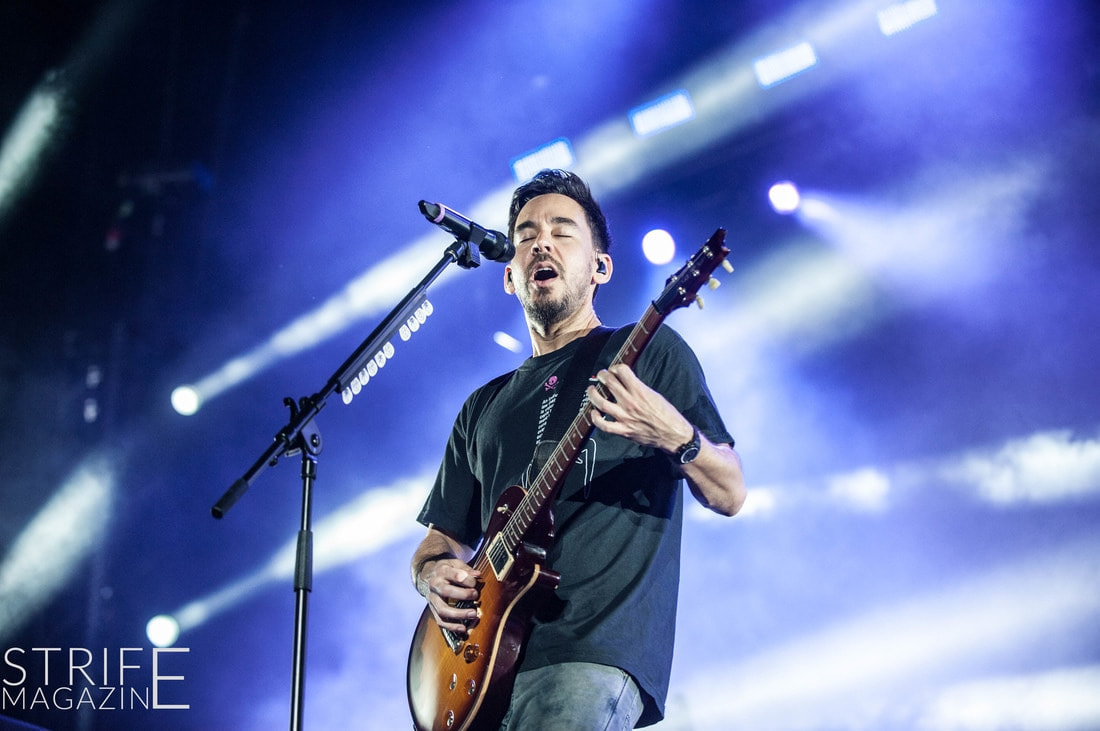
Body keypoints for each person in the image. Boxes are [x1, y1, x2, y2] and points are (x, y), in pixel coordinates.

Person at [410, 169, 746, 728]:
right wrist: (432, 577)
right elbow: (439, 542)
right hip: (480, 669)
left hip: (588, 656)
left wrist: (676, 436)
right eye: (526, 235)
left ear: (600, 268)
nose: (541, 243)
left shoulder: (648, 354)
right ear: (509, 277)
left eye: (562, 232)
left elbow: (731, 491)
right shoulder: (481, 407)